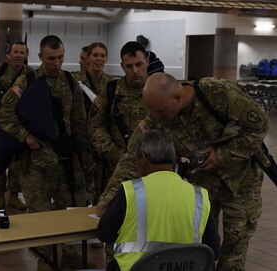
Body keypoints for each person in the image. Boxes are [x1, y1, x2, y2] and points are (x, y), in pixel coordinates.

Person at [98, 73, 269, 271]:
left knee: (234, 253)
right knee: (201, 248)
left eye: (160, 111)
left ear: (177, 97)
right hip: (204, 186)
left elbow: (260, 126)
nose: (157, 116)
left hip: (241, 183)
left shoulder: (217, 93)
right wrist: (109, 196)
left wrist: (221, 155)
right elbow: (131, 157)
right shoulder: (157, 115)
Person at [0, 35, 91, 270]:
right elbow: (5, 115)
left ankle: (71, 253)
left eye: (60, 58)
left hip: (66, 159)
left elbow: (79, 120)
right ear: (40, 57)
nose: (56, 63)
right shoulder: (26, 82)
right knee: (39, 212)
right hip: (37, 162)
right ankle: (45, 259)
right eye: (51, 59)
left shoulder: (70, 82)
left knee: (70, 207)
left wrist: (84, 152)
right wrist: (25, 136)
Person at [97, 129, 220, 271]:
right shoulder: (199, 196)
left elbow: (104, 234)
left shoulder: (129, 190)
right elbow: (213, 251)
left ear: (143, 157)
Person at [89, 41, 163, 201]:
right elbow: (95, 127)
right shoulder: (111, 91)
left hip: (153, 169)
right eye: (129, 66)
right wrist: (114, 153)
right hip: (115, 169)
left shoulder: (160, 89)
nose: (135, 71)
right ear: (122, 66)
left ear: (147, 62)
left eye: (139, 64)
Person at [0, 41, 32, 210]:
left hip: (20, 127)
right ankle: (0, 196)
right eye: (15, 52)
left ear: (26, 55)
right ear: (9, 54)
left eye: (22, 52)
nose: (18, 55)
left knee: (17, 162)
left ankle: (14, 195)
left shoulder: (30, 75)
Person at [74, 42, 114, 205]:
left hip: (103, 142)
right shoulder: (76, 80)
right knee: (81, 186)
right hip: (81, 140)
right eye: (95, 55)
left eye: (102, 55)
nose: (99, 59)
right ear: (88, 58)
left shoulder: (111, 84)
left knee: (103, 185)